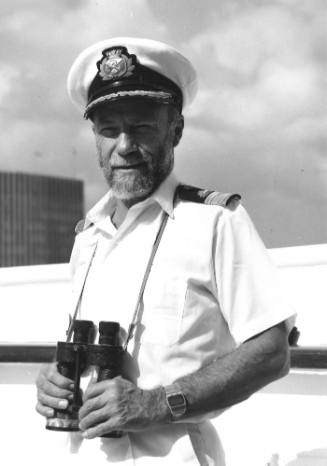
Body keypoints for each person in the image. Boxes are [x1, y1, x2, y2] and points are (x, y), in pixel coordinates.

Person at [35, 37, 295, 465]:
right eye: (108, 130)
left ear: (175, 131)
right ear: (95, 137)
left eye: (141, 128)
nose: (124, 146)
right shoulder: (87, 239)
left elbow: (272, 350)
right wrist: (52, 381)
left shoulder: (215, 222)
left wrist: (155, 405)